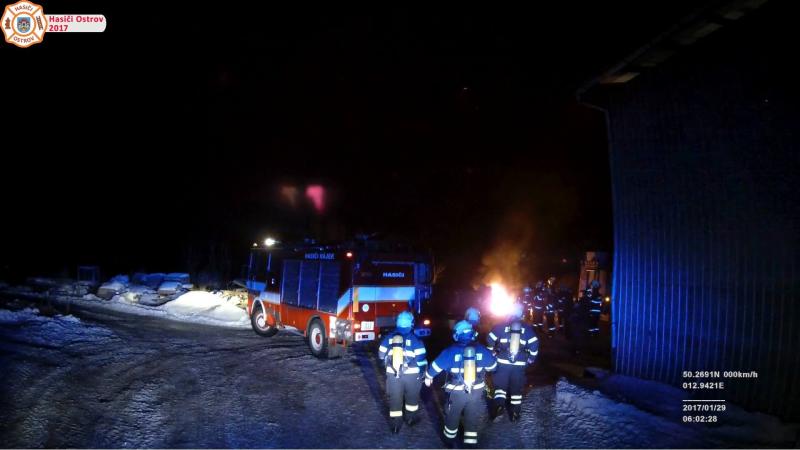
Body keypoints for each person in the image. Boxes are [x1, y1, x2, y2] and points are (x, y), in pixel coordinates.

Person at [425, 320, 497, 448]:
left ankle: (449, 440)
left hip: (456, 392)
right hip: (476, 391)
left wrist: (428, 377)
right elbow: (493, 366)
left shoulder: (450, 351)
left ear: (456, 335)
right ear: (472, 333)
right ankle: (470, 442)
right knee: (472, 414)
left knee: (452, 415)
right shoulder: (481, 348)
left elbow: (434, 368)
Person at [486, 303, 539, 422]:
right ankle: (515, 413)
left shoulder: (500, 326)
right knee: (516, 388)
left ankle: (499, 407)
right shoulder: (527, 329)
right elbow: (534, 344)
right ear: (521, 314)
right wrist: (531, 358)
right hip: (519, 363)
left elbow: (490, 339)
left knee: (500, 386)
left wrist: (492, 352)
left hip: (502, 361)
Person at [378, 311, 428, 433]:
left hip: (393, 375)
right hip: (412, 376)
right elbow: (421, 359)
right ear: (411, 323)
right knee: (412, 398)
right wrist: (422, 372)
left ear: (398, 322)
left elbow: (380, 355)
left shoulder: (389, 337)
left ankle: (395, 426)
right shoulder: (416, 339)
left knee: (395, 399)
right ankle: (410, 419)